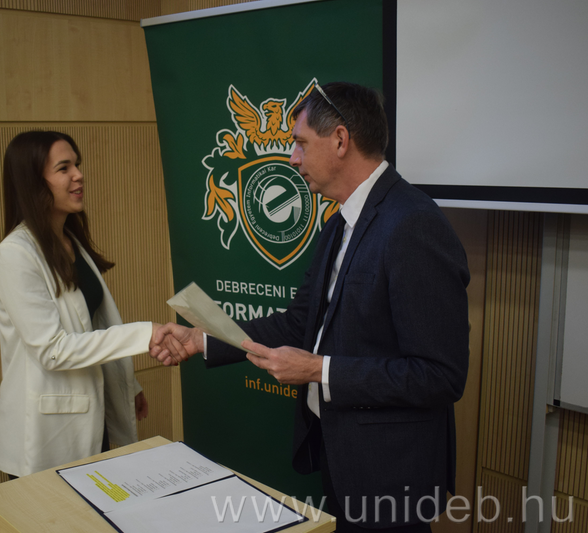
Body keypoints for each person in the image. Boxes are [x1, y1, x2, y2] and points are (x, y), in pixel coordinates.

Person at [152, 82, 470, 532]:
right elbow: (301, 321)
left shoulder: (413, 224)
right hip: (341, 455)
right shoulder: (340, 222)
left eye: (300, 143)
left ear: (340, 140)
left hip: (390, 473)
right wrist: (203, 339)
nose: (292, 158)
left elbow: (440, 375)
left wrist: (319, 370)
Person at [0, 130, 168, 478]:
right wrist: (145, 334)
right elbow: (53, 350)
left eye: (77, 165)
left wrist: (127, 386)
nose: (79, 175)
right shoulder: (15, 254)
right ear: (33, 181)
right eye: (64, 168)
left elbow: (96, 324)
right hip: (47, 436)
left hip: (94, 417)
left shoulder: (70, 241)